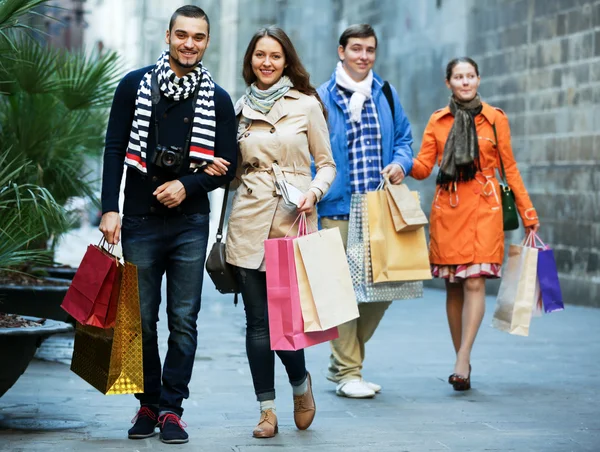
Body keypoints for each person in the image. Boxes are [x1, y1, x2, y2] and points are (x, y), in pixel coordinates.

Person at [99, 5, 237, 444]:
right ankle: (147, 403)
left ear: (207, 41)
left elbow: (228, 167)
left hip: (190, 224)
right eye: (182, 35)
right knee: (140, 319)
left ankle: (172, 409)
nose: (189, 44)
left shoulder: (217, 98)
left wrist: (188, 184)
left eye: (198, 37)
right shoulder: (134, 86)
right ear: (169, 36)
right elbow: (115, 147)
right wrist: (109, 208)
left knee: (183, 318)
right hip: (138, 218)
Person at [225, 26, 336, 438]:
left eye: (274, 56)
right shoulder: (238, 110)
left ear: (286, 61)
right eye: (259, 56)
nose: (266, 63)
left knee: (286, 322)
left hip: (292, 218)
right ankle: (266, 411)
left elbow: (326, 163)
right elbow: (232, 174)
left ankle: (300, 383)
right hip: (249, 220)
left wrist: (314, 190)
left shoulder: (307, 105)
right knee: (257, 323)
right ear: (249, 61)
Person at [410, 57, 540, 391]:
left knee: (474, 283)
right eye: (458, 77)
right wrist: (401, 165)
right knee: (454, 285)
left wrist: (528, 214)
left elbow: (509, 169)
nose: (465, 82)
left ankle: (462, 359)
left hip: (485, 207)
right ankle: (463, 360)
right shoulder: (438, 121)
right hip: (449, 208)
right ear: (448, 82)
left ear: (478, 79)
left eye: (470, 76)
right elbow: (425, 166)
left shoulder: (495, 119)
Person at [316, 24, 414, 399]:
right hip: (336, 207)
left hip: (379, 207)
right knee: (339, 291)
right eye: (356, 49)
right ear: (341, 51)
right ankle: (347, 371)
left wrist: (401, 164)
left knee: (385, 286)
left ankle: (345, 362)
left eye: (370, 50)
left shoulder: (385, 93)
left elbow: (404, 138)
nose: (363, 56)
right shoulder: (321, 98)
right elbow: (310, 149)